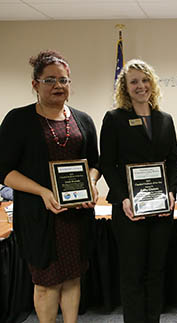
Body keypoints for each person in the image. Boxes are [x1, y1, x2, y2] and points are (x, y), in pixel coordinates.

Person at [0, 50, 100, 323]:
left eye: (64, 80)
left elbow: (95, 163)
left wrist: (90, 183)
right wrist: (43, 191)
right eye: (50, 80)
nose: (59, 86)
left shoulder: (83, 120)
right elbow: (4, 171)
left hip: (76, 216)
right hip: (39, 216)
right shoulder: (18, 120)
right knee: (46, 284)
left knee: (72, 279)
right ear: (35, 84)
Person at [100, 59, 177, 323]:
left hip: (160, 207)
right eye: (134, 81)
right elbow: (107, 164)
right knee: (132, 273)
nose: (140, 86)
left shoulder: (165, 119)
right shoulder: (114, 119)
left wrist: (171, 192)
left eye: (145, 80)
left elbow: (173, 160)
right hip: (128, 209)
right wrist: (123, 198)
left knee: (156, 271)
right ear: (125, 87)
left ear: (152, 84)